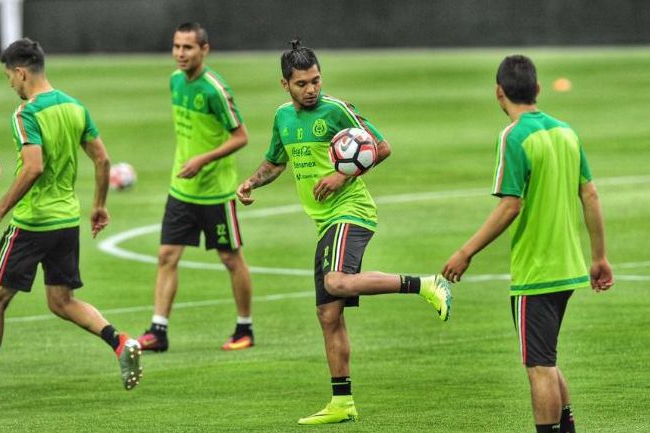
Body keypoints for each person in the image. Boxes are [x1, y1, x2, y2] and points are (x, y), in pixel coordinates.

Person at [236, 40, 453, 425]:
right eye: (302, 83)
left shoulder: (336, 110)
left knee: (336, 282)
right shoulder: (283, 117)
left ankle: (426, 284)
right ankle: (342, 403)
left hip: (351, 212)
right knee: (327, 313)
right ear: (284, 84)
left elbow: (380, 147)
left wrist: (341, 175)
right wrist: (251, 183)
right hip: (325, 223)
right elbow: (275, 162)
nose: (311, 89)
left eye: (316, 80)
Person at [0, 38, 142, 408]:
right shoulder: (75, 107)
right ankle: (119, 341)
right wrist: (98, 206)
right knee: (61, 300)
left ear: (20, 72)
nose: (10, 84)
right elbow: (102, 160)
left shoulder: (26, 114)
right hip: (66, 220)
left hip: (32, 223)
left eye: (8, 77)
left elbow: (33, 167)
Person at [442, 55, 614, 433]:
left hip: (536, 271)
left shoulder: (514, 135)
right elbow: (591, 195)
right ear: (537, 89)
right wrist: (599, 257)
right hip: (568, 268)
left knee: (538, 367)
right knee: (547, 360)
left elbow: (510, 206)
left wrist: (465, 251)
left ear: (498, 93)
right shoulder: (566, 132)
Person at [136, 22, 254, 352]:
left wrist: (202, 160)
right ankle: (158, 331)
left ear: (205, 49)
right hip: (181, 189)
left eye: (187, 47)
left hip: (216, 191)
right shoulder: (175, 81)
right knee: (166, 256)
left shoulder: (215, 89)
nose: (180, 53)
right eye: (176, 46)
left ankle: (244, 328)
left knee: (231, 259)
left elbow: (241, 137)